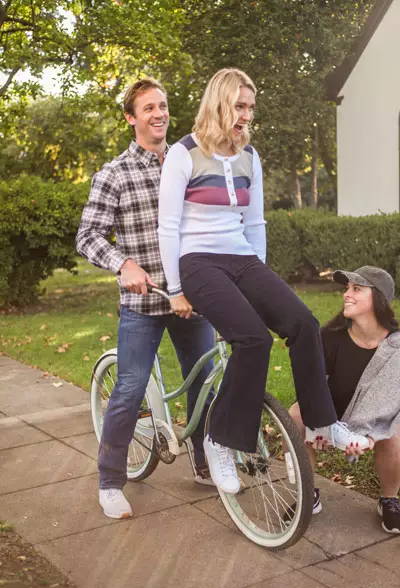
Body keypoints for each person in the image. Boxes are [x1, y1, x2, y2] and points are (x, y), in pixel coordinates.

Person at [157, 67, 369, 495]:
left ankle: (322, 424)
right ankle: (220, 440)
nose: (246, 115)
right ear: (219, 103)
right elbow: (168, 227)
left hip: (243, 259)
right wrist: (176, 288)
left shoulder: (249, 157)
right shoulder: (183, 153)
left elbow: (255, 224)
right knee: (253, 340)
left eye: (250, 107)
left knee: (304, 323)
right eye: (239, 106)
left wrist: (261, 281)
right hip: (198, 262)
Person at [76, 78, 215, 520]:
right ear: (131, 117)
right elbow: (88, 235)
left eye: (164, 106)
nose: (159, 114)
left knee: (204, 381)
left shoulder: (189, 162)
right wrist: (124, 265)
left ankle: (203, 460)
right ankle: (111, 481)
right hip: (144, 302)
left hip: (190, 298)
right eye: (149, 107)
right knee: (131, 387)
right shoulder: (114, 173)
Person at [289, 266, 400, 534]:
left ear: (378, 299)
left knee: (397, 431)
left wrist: (370, 434)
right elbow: (313, 389)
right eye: (347, 289)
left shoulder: (396, 346)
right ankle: (307, 494)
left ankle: (389, 499)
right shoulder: (329, 337)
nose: (346, 295)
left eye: (356, 289)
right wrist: (320, 426)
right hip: (332, 412)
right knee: (295, 414)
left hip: (379, 417)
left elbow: (395, 403)